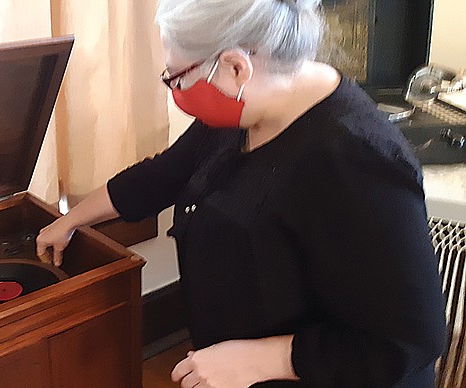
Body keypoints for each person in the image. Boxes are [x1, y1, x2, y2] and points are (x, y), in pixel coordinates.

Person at [35, 0, 447, 386]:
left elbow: (409, 340)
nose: (173, 89)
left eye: (176, 77)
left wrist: (257, 361)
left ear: (234, 66)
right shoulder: (241, 113)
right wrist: (70, 220)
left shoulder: (358, 160)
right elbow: (162, 175)